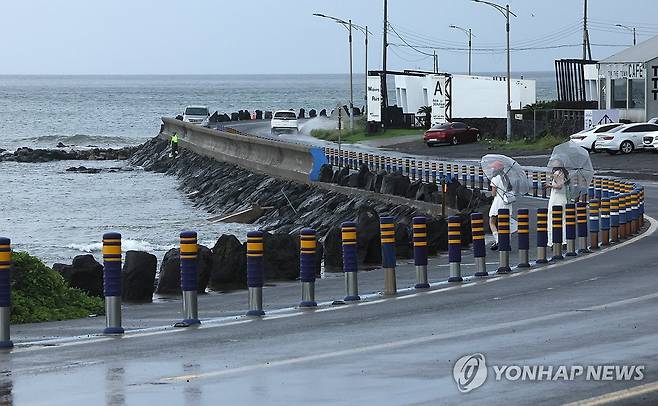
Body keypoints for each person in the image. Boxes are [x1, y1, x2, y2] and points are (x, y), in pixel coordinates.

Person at [488, 160, 515, 251]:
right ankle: (507, 243)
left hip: (498, 202)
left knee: (492, 221)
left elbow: (493, 193)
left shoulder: (495, 178)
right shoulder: (506, 178)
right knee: (506, 223)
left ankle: (498, 239)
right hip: (507, 202)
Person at [545, 163, 570, 245]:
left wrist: (550, 185)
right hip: (563, 199)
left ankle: (552, 241)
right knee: (563, 220)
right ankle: (564, 240)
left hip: (556, 199)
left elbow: (559, 186)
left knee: (552, 219)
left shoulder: (557, 173)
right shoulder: (565, 174)